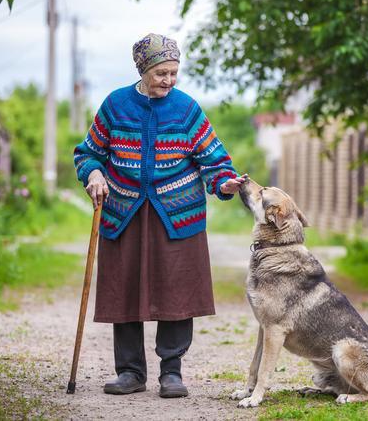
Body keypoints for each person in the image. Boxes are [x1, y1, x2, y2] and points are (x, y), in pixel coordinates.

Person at [73, 33, 246, 398]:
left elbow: (215, 162)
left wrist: (226, 184)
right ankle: (131, 372)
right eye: (161, 73)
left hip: (177, 214)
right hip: (124, 212)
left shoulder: (187, 109)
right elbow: (87, 153)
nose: (168, 80)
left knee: (177, 289)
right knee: (124, 290)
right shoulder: (115, 105)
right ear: (143, 69)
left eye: (173, 72)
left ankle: (172, 372)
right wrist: (93, 173)